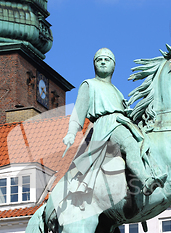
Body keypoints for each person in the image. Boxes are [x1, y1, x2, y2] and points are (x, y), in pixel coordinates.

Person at [63, 48, 164, 196]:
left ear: (114, 65)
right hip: (107, 125)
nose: (103, 62)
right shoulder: (89, 84)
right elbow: (78, 113)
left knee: (147, 144)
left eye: (107, 59)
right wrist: (71, 133)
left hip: (122, 122)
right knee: (130, 144)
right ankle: (146, 181)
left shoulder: (116, 90)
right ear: (94, 65)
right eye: (99, 59)